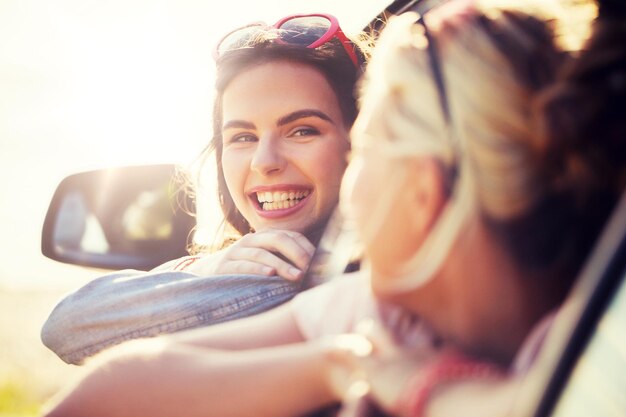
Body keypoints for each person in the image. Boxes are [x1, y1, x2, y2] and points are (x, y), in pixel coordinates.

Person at [42, 0, 626, 416]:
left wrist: (419, 384)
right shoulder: (375, 309)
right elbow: (89, 352)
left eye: (364, 145)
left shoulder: (590, 356)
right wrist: (345, 364)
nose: (265, 161)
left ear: (420, 193)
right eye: (240, 137)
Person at [41, 13, 369, 365]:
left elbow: (69, 326)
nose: (263, 161)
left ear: (363, 138)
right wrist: (211, 266)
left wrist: (210, 271)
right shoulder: (235, 266)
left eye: (302, 130)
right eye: (243, 136)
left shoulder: (323, 281)